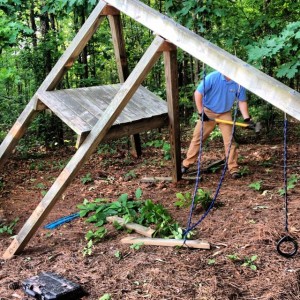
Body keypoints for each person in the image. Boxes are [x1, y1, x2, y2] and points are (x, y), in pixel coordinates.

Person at [181, 70, 252, 179]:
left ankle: (233, 168)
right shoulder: (213, 77)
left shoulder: (238, 82)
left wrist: (247, 118)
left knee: (229, 141)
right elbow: (198, 93)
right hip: (208, 111)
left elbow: (242, 101)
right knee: (197, 138)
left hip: (225, 113)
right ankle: (186, 164)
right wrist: (201, 112)